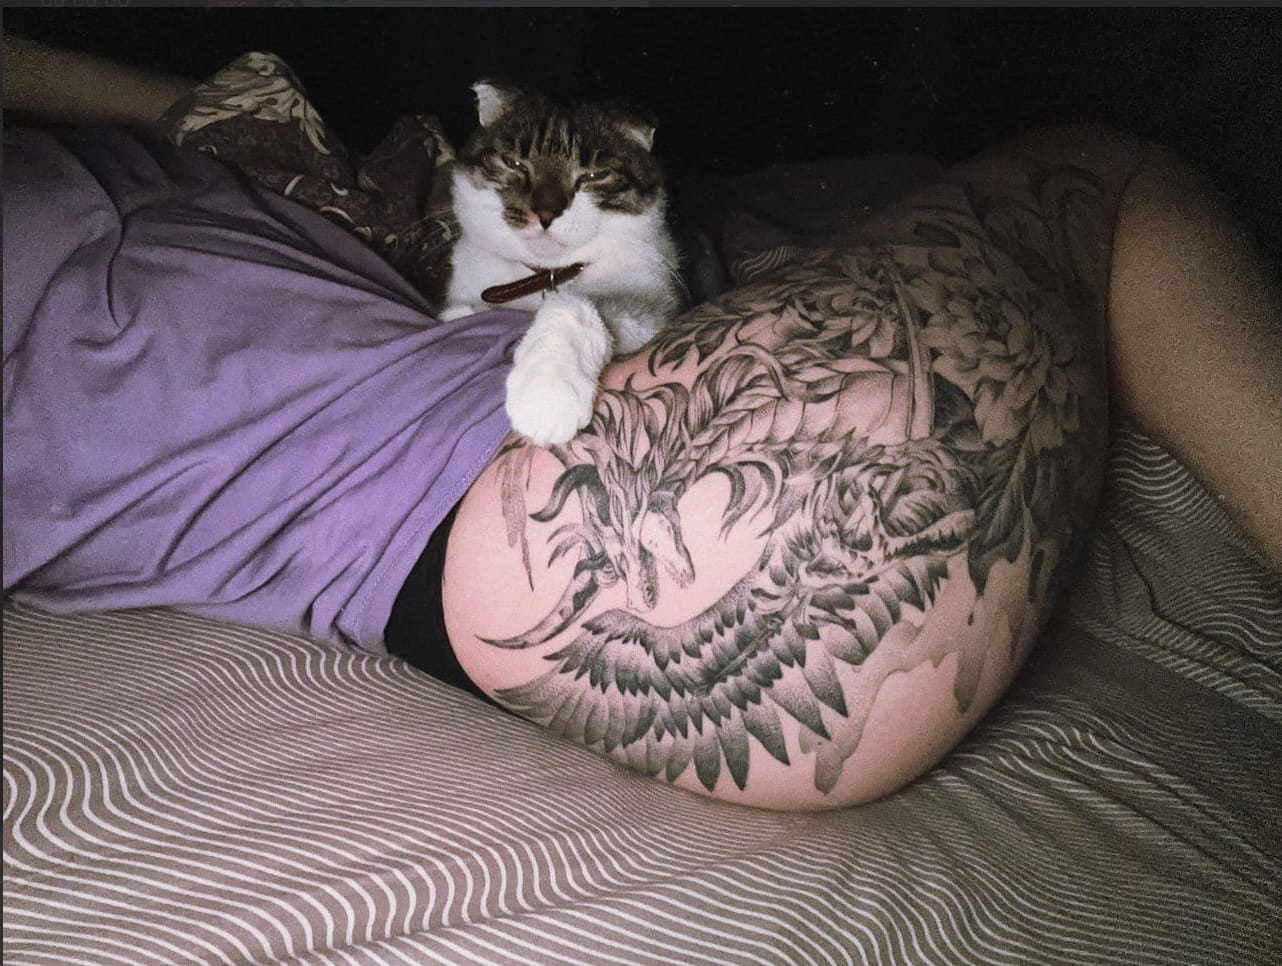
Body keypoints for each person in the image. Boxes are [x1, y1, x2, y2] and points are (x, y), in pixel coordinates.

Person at [4, 40, 1279, 811]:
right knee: (1105, 169)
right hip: (556, 508)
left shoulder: (156, 166)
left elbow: (221, 115)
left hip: (546, 485)